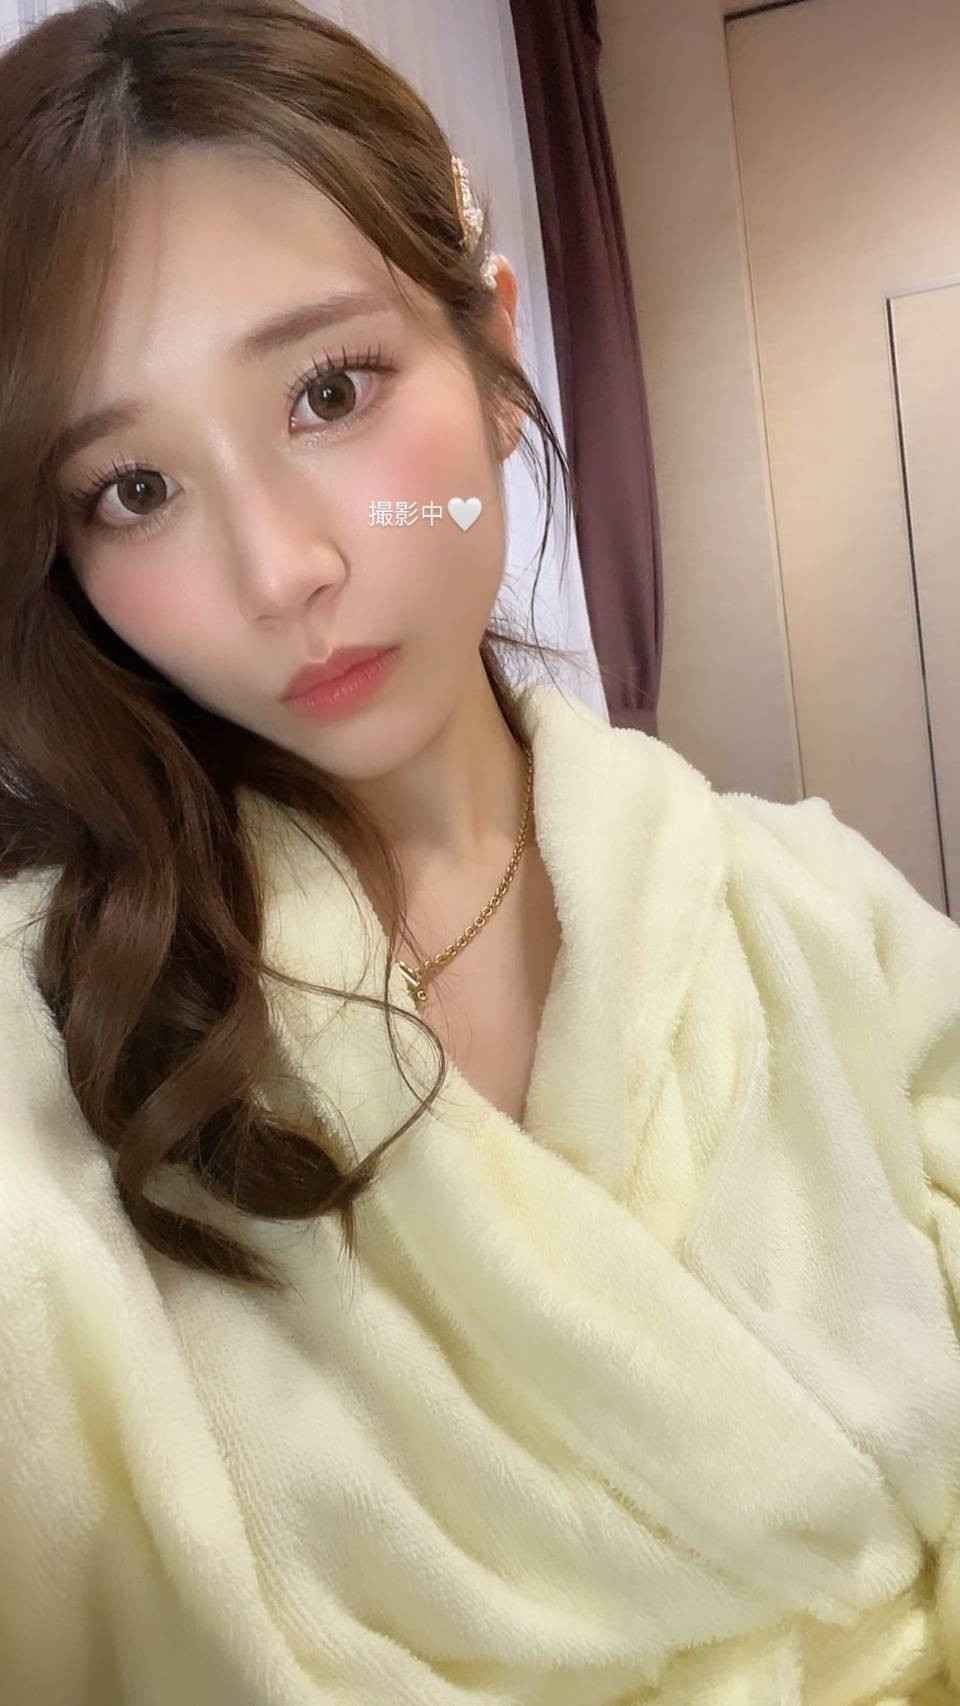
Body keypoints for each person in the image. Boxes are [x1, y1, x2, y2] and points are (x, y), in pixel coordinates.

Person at [0, 2, 958, 1703]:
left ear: (495, 353)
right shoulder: (45, 1045)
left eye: (329, 390)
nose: (282, 569)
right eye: (133, 488)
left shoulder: (821, 919)